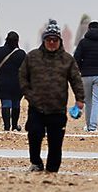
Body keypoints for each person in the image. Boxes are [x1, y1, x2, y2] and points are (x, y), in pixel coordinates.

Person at [18, 21, 85, 172]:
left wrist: (80, 99)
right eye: (49, 40)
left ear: (60, 41)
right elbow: (22, 77)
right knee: (34, 135)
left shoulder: (67, 59)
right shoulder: (32, 57)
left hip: (58, 109)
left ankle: (52, 170)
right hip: (37, 107)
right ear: (44, 40)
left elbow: (76, 80)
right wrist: (29, 95)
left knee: (56, 142)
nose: (52, 43)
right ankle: (36, 163)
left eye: (55, 40)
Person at [0, 30, 26, 131]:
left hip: (3, 83)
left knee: (6, 104)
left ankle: (6, 127)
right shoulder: (21, 54)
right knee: (16, 104)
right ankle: (14, 125)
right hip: (17, 84)